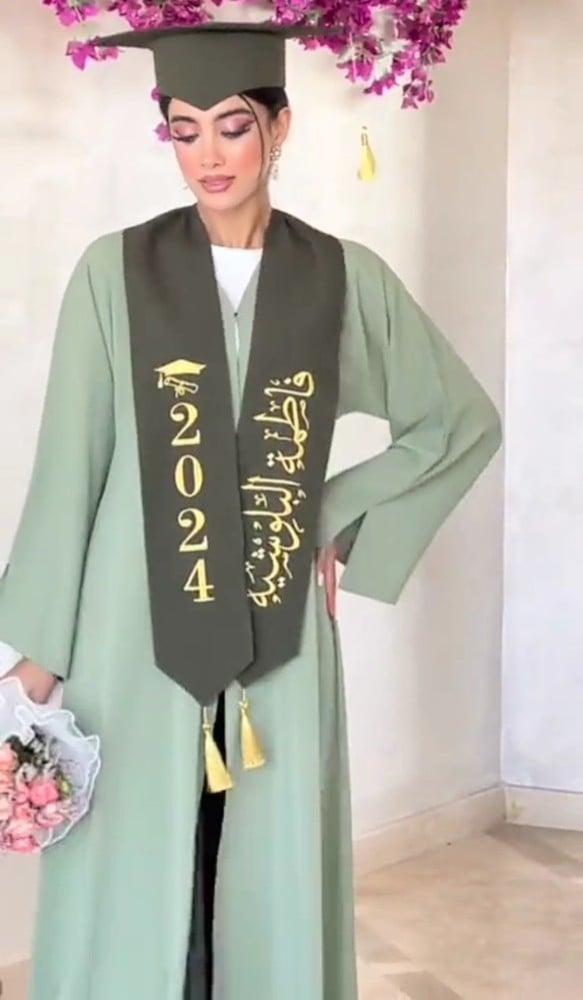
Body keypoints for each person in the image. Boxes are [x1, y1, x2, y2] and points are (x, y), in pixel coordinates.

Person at [0, 20, 503, 1000]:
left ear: (279, 127)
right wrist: (39, 655)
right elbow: (71, 464)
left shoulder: (339, 278)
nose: (208, 156)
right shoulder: (117, 271)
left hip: (278, 620)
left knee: (262, 854)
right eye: (183, 130)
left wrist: (332, 515)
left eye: (231, 126)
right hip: (129, 621)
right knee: (139, 859)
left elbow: (456, 421)